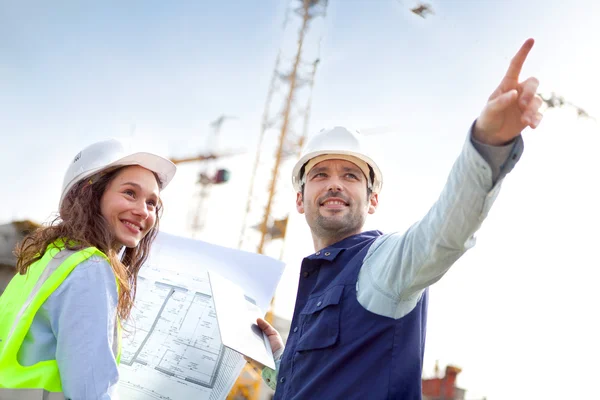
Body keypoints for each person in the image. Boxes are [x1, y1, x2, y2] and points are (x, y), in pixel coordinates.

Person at [256, 38, 544, 399]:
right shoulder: (317, 286)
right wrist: (280, 360)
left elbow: (442, 234)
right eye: (320, 175)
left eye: (350, 175)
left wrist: (488, 142)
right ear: (300, 200)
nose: (334, 185)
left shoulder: (382, 264)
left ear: (372, 199)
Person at [0, 138, 176, 399]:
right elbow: (90, 391)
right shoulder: (90, 268)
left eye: (152, 203)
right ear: (91, 195)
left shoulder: (49, 257)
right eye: (130, 193)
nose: (143, 211)